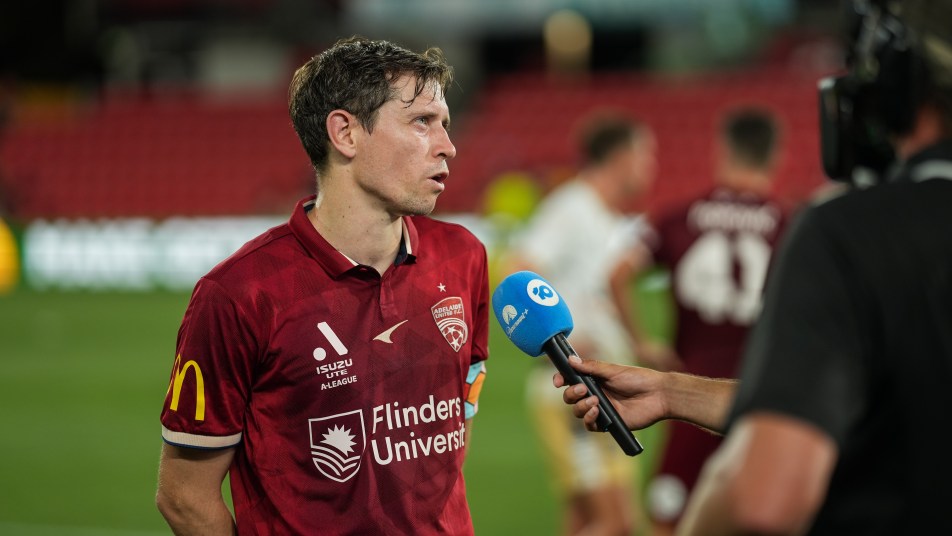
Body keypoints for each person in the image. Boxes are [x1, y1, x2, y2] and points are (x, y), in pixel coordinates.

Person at [557, 0, 952, 533]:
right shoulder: (785, 219)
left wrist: (649, 346)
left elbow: (765, 499)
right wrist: (673, 390)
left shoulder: (846, 230)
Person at [155, 36, 490, 535]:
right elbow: (184, 495)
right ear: (345, 133)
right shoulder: (239, 294)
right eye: (422, 122)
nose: (448, 145)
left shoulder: (464, 256)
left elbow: (451, 428)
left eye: (445, 123)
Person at [607, 106, 787, 533]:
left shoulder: (679, 216)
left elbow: (618, 275)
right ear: (775, 155)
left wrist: (642, 342)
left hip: (689, 391)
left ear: (723, 151)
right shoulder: (791, 222)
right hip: (763, 394)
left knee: (672, 518)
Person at [503, 112, 658, 536]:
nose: (650, 166)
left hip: (598, 387)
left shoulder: (607, 218)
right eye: (645, 154)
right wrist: (560, 340)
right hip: (571, 390)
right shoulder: (572, 207)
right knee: (616, 523)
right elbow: (518, 272)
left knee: (586, 520)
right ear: (621, 157)